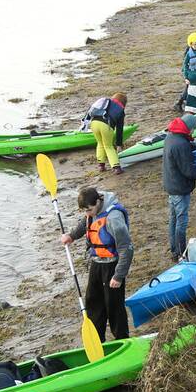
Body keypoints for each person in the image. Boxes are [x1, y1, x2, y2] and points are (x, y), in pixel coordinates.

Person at [60, 187, 132, 341]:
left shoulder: (114, 218)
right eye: (85, 211)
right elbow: (85, 223)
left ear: (98, 202)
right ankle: (97, 340)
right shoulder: (91, 212)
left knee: (114, 305)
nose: (88, 214)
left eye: (90, 210)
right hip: (96, 263)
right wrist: (71, 236)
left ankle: (122, 339)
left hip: (112, 266)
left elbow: (126, 249)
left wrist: (118, 276)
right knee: (93, 302)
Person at [162, 114, 196, 260]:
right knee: (181, 222)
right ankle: (181, 252)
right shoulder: (180, 143)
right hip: (180, 189)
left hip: (171, 186)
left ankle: (174, 250)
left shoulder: (172, 136)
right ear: (189, 129)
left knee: (173, 220)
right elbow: (189, 171)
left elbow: (188, 145)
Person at [85, 92, 128, 173]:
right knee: (108, 146)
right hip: (106, 125)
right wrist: (119, 144)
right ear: (123, 102)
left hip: (93, 123)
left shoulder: (105, 103)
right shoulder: (120, 110)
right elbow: (119, 129)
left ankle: (101, 166)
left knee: (100, 143)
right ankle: (116, 168)